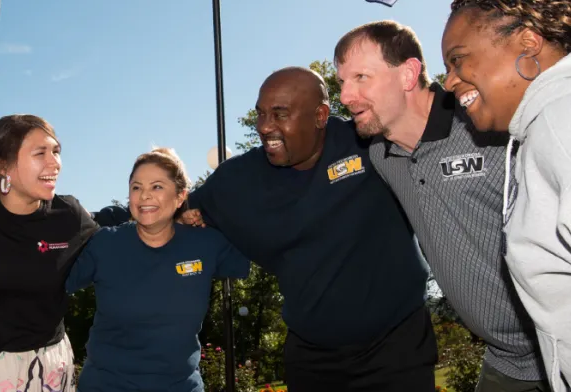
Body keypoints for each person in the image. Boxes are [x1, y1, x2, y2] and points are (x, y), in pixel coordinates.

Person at [180, 67, 433, 391]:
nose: (264, 126)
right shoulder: (237, 181)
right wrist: (101, 225)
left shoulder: (366, 142)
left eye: (279, 114)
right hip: (313, 360)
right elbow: (170, 207)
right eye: (260, 114)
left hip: (396, 347)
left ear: (320, 115)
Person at [335, 19, 548, 391]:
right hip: (507, 360)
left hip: (560, 341)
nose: (346, 96)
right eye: (341, 83)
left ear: (408, 74)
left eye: (361, 78)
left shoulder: (485, 121)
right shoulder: (382, 157)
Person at [0, 114, 126, 392]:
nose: (54, 163)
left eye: (56, 151)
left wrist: (186, 212)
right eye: (40, 153)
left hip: (43, 370)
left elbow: (122, 227)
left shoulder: (69, 217)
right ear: (2, 164)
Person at [440, 0, 571, 391]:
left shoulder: (560, 122)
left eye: (458, 60)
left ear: (528, 44)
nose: (448, 82)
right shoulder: (541, 128)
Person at [66, 147, 249, 392]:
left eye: (157, 187)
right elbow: (51, 284)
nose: (144, 196)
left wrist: (213, 215)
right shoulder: (104, 244)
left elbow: (259, 241)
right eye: (136, 187)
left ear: (180, 197)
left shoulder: (205, 243)